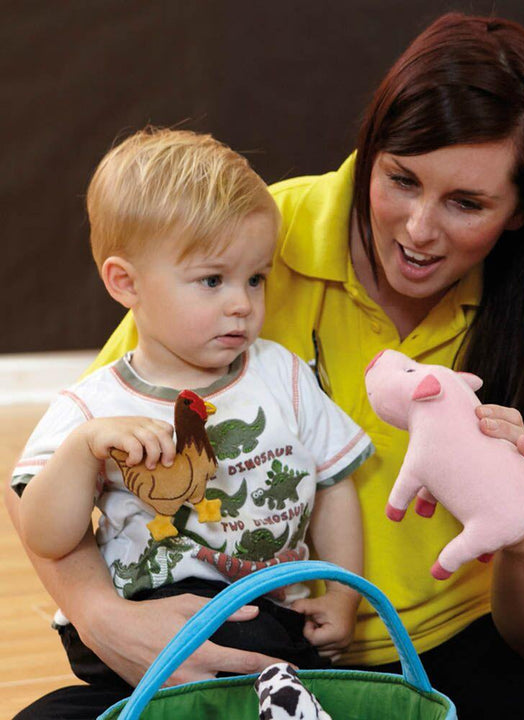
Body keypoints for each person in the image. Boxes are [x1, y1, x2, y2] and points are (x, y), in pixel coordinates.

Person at [6, 11, 524, 719]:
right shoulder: (246, 245)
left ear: (522, 210)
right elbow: (57, 468)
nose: (418, 230)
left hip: (450, 658)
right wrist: (104, 618)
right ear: (371, 150)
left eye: (467, 203)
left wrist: (523, 532)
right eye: (401, 180)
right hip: (234, 653)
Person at [9, 128, 372, 718]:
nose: (242, 304)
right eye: (212, 280)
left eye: (255, 278)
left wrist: (344, 595)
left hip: (267, 616)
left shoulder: (281, 374)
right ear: (125, 283)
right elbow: (47, 536)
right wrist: (81, 452)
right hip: (141, 621)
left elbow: (334, 485)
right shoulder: (91, 405)